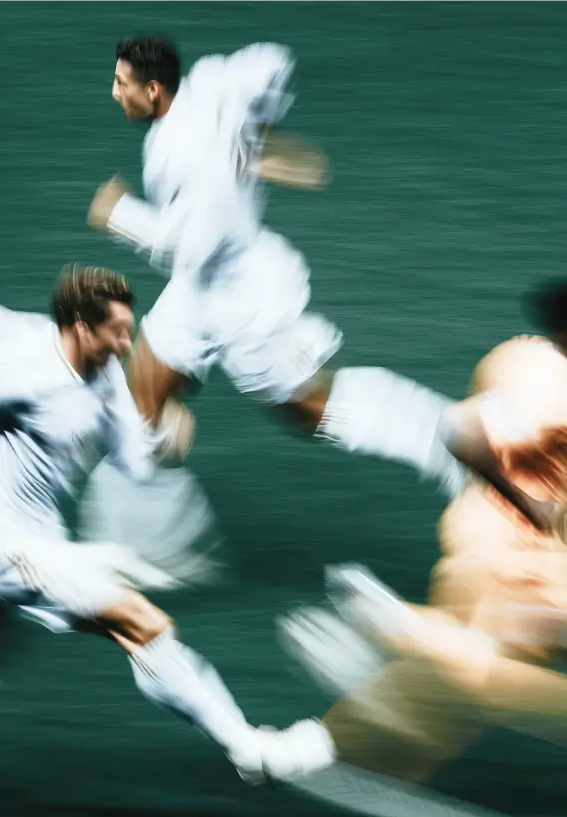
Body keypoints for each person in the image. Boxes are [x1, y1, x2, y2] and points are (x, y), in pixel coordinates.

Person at [87, 36, 464, 504]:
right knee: (139, 406)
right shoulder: (210, 80)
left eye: (122, 83)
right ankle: (150, 534)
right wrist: (256, 136)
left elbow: (188, 248)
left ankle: (448, 440)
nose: (114, 92)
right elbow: (272, 62)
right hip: (196, 294)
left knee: (312, 412)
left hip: (244, 302)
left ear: (153, 91)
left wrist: (119, 214)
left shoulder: (183, 157)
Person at [0, 265, 266, 779]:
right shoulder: (23, 371)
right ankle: (247, 748)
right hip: (14, 551)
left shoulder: (101, 373)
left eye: (129, 327)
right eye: (117, 330)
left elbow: (131, 460)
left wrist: (161, 436)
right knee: (144, 626)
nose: (128, 342)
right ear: (81, 326)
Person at [262, 277, 567, 783]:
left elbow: (459, 432)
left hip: (482, 546)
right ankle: (419, 635)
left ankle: (311, 746)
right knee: (484, 674)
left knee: (451, 700)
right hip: (528, 566)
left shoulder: (520, 360)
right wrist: (535, 507)